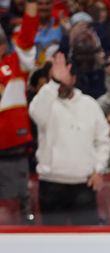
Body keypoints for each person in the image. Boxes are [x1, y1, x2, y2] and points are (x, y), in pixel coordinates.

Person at [29, 52, 110, 225]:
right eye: (55, 78)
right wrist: (54, 83)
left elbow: (103, 140)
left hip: (84, 183)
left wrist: (99, 168)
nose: (60, 84)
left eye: (64, 77)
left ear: (73, 78)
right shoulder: (46, 103)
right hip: (51, 184)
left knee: (86, 243)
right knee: (53, 242)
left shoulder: (90, 105)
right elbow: (35, 112)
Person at [0, 0, 37, 220]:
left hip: (12, 152)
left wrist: (31, 4)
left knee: (14, 210)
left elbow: (28, 34)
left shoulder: (16, 64)